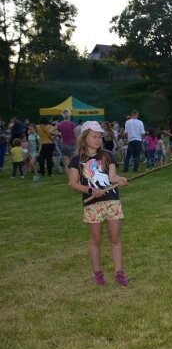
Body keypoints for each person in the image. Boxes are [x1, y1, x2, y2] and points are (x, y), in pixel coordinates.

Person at [67, 121, 129, 287]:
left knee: (114, 237)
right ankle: (98, 273)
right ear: (84, 137)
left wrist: (120, 180)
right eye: (94, 136)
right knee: (95, 239)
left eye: (100, 136)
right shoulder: (76, 160)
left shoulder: (107, 155)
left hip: (112, 201)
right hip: (92, 204)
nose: (98, 139)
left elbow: (112, 177)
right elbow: (73, 183)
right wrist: (90, 190)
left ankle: (119, 272)